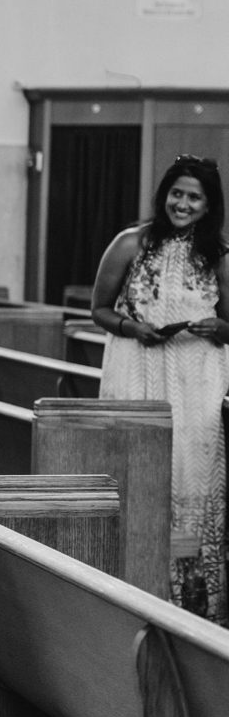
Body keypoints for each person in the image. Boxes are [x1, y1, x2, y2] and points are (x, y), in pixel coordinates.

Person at [91, 154, 229, 624]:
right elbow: (99, 309)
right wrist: (131, 327)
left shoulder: (219, 257)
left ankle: (192, 600)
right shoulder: (132, 243)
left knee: (189, 474)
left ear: (209, 205)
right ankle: (128, 584)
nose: (183, 203)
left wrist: (218, 326)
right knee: (135, 469)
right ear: (164, 193)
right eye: (177, 193)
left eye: (194, 197)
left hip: (196, 379)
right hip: (137, 368)